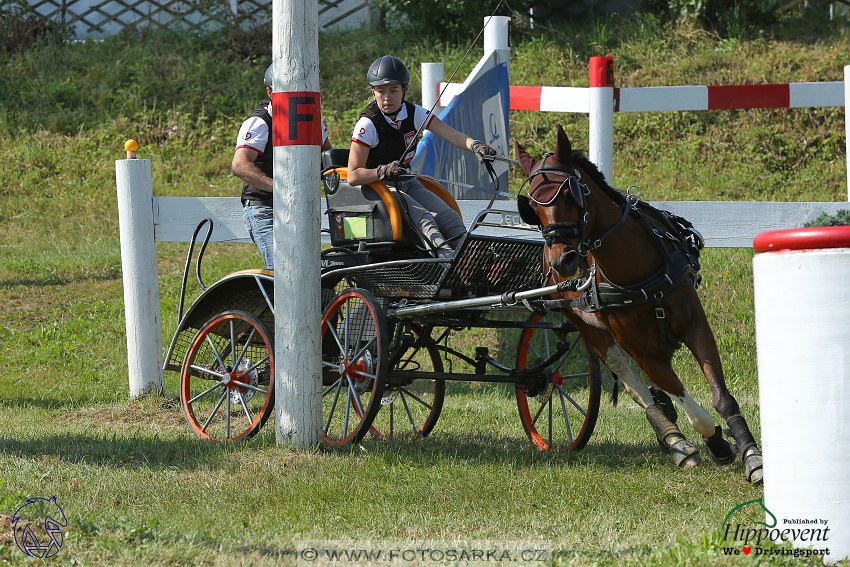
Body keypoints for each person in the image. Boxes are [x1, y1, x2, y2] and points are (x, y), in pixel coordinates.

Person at [348, 55, 496, 259]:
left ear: (404, 91)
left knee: (449, 217)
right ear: (373, 92)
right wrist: (383, 170)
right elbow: (353, 176)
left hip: (406, 182)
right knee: (426, 221)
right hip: (378, 187)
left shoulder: (415, 113)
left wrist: (476, 145)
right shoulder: (368, 124)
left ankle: (474, 263)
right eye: (381, 92)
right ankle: (449, 268)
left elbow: (452, 135)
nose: (387, 97)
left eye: (393, 91)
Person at [232, 64, 333, 270]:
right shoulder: (259, 122)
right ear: (269, 91)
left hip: (301, 208)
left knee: (311, 271)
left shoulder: (311, 118)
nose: (292, 95)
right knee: (283, 270)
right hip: (264, 208)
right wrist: (280, 188)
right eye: (285, 89)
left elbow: (328, 159)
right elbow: (240, 165)